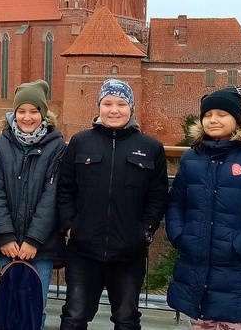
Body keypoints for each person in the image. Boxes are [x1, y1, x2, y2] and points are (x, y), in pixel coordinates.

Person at [57, 79, 168, 330]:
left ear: (132, 108)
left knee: (126, 319)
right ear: (99, 106)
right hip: (83, 250)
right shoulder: (80, 142)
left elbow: (158, 195)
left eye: (121, 103)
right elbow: (65, 189)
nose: (114, 110)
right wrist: (70, 226)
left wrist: (145, 231)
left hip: (129, 252)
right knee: (74, 317)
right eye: (107, 103)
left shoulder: (150, 147)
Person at [166, 87, 241, 329]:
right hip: (195, 261)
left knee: (232, 322)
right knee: (199, 321)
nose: (213, 120)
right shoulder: (191, 157)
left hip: (235, 265)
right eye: (208, 115)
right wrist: (179, 235)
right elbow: (176, 202)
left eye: (221, 114)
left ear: (237, 119)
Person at [0, 80, 66, 330]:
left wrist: (34, 239)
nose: (27, 117)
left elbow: (52, 196)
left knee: (34, 312)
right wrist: (5, 235)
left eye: (34, 111)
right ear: (14, 113)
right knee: (8, 309)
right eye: (21, 111)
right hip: (8, 246)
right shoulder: (1, 144)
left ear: (43, 113)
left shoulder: (56, 147)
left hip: (41, 248)